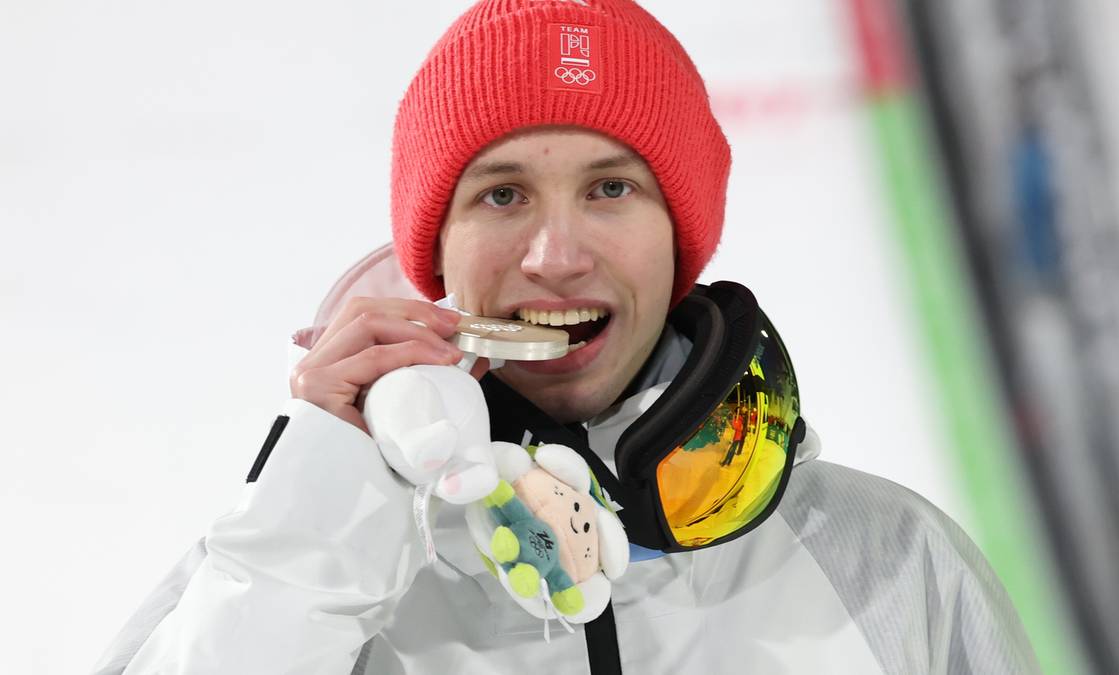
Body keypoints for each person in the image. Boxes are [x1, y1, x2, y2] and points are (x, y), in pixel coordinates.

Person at [91, 1, 1040, 673]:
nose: (554, 254)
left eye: (610, 188)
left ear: (682, 238)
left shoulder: (892, 561)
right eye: (502, 194)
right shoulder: (289, 564)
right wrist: (316, 522)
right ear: (435, 254)